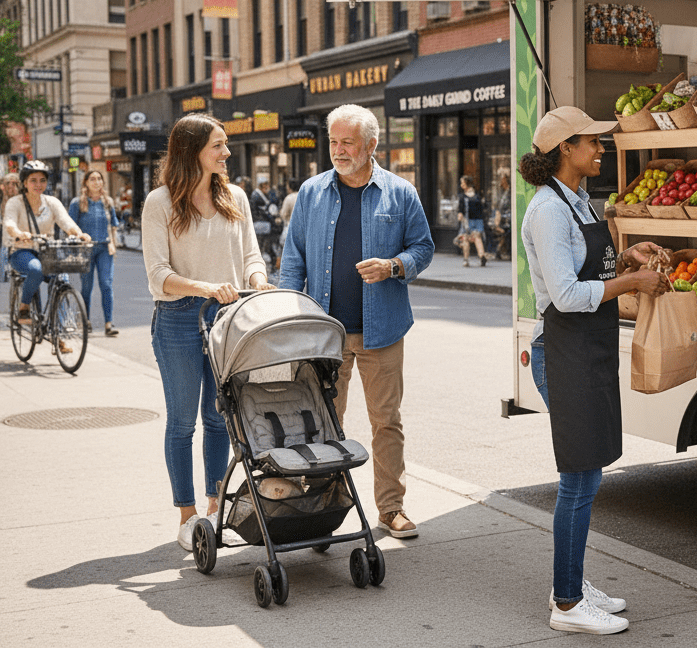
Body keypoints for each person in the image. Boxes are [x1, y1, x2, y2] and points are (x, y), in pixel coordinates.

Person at [520, 106, 668, 635]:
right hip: (563, 350)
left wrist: (626, 260)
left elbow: (588, 265)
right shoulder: (548, 211)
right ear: (566, 149)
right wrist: (633, 285)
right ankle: (565, 603)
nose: (601, 150)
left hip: (587, 348)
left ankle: (574, 581)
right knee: (578, 479)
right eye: (592, 143)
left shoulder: (576, 201)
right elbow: (565, 294)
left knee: (590, 473)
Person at [277, 104, 433, 540]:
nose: (339, 150)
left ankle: (391, 508)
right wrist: (291, 318)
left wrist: (394, 265)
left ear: (371, 145)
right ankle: (322, 507)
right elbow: (293, 261)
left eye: (347, 142)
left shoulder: (400, 193)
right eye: (334, 142)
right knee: (323, 424)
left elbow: (423, 247)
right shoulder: (311, 192)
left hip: (381, 330)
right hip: (324, 333)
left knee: (386, 421)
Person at [142, 114, 275, 551]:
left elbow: (252, 255)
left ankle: (215, 509)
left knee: (220, 419)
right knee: (182, 422)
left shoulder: (235, 195)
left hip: (229, 318)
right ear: (192, 150)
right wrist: (204, 287)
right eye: (218, 145)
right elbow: (158, 273)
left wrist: (258, 281)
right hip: (179, 317)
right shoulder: (160, 202)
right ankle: (187, 515)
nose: (226, 152)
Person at [3, 161, 93, 329]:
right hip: (21, 251)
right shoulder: (15, 202)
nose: (38, 185)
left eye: (42, 180)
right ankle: (24, 307)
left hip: (47, 251)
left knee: (61, 278)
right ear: (24, 183)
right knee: (36, 269)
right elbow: (9, 223)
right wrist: (18, 233)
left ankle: (59, 330)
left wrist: (79, 234)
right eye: (33, 180)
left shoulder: (52, 202)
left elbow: (66, 222)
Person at [68, 170, 122, 336]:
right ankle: (86, 321)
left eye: (99, 179)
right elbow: (70, 226)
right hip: (86, 250)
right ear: (85, 182)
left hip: (105, 248)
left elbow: (114, 224)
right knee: (86, 287)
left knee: (106, 284)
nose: (96, 182)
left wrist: (113, 243)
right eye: (92, 179)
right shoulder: (78, 203)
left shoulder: (108, 202)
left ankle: (108, 323)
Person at [457, 175, 488, 267]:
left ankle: (466, 260)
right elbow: (483, 208)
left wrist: (460, 215)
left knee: (465, 239)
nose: (461, 185)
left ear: (467, 184)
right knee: (477, 239)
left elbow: (460, 210)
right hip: (478, 221)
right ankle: (481, 255)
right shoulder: (478, 196)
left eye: (462, 183)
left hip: (467, 221)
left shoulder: (463, 197)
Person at [1, 172, 20, 282]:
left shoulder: (22, 199)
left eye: (13, 183)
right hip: (6, 237)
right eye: (8, 183)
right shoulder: (3, 198)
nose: (10, 186)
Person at [490, 169, 512, 261]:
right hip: (503, 217)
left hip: (509, 217)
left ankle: (501, 250)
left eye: (502, 179)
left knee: (506, 233)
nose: (500, 181)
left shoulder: (510, 191)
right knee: (503, 233)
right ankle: (500, 250)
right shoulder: (502, 192)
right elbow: (499, 205)